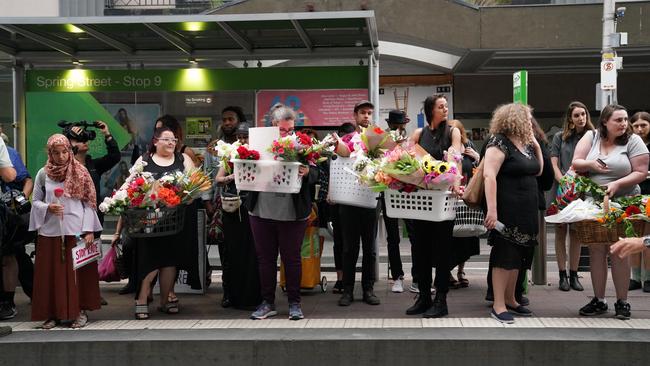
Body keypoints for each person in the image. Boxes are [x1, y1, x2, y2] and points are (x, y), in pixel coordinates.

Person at [572, 104, 649, 320]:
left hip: (625, 202)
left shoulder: (633, 141)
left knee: (619, 251)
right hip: (594, 202)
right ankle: (599, 299)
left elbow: (641, 172)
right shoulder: (592, 136)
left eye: (625, 120)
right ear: (605, 121)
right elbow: (576, 162)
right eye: (618, 120)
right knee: (596, 250)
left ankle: (622, 302)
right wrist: (593, 166)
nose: (624, 124)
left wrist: (617, 184)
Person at [113, 127, 195, 320]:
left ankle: (165, 300)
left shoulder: (183, 160)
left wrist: (184, 196)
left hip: (174, 221)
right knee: (149, 260)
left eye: (173, 140)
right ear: (155, 141)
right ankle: (142, 299)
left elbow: (194, 185)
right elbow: (130, 185)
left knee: (169, 261)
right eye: (166, 139)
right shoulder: (144, 160)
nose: (171, 143)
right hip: (148, 222)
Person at [246, 105, 318, 320]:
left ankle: (295, 303)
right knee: (265, 260)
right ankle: (267, 302)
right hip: (261, 210)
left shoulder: (303, 144)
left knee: (292, 259)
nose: (288, 135)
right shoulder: (259, 142)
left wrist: (307, 172)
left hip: (292, 211)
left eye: (291, 130)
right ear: (273, 126)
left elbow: (317, 171)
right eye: (283, 130)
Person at [29, 134, 102, 329]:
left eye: (64, 152)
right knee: (51, 274)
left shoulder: (81, 171)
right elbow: (35, 201)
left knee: (77, 275)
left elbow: (89, 202)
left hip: (76, 230)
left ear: (70, 151)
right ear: (49, 153)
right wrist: (48, 207)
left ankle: (80, 312)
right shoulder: (43, 174)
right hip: (50, 232)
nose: (61, 157)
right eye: (56, 153)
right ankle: (53, 314)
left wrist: (89, 230)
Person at [483, 103, 543, 324]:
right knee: (505, 254)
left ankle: (511, 298)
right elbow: (489, 176)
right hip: (507, 207)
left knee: (520, 254)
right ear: (514, 119)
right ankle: (498, 304)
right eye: (527, 118)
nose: (530, 122)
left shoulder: (525, 144)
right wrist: (492, 210)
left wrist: (536, 146)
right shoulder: (498, 142)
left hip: (526, 207)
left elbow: (538, 170)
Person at [405, 95, 463, 318]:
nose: (445, 109)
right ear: (431, 110)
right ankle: (423, 297)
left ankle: (441, 300)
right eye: (441, 106)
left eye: (446, 106)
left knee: (441, 251)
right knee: (420, 251)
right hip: (420, 202)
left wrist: (456, 185)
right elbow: (407, 160)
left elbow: (455, 159)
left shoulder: (452, 132)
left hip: (443, 201)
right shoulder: (419, 134)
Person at [337, 100, 380, 307]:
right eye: (363, 113)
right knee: (349, 248)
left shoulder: (378, 139)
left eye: (369, 113)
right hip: (349, 198)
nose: (366, 116)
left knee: (370, 249)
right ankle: (347, 290)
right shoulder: (346, 138)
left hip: (370, 198)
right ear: (355, 116)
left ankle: (368, 289)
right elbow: (340, 155)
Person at [214, 122, 261, 310]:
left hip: (253, 206)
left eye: (245, 137)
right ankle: (230, 294)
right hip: (233, 208)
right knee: (231, 252)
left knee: (253, 252)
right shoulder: (230, 153)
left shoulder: (259, 154)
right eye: (239, 137)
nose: (242, 140)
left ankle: (253, 295)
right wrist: (230, 177)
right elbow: (218, 178)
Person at [203, 107, 246, 306]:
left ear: (239, 121)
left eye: (231, 119)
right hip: (222, 205)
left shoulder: (249, 144)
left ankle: (244, 288)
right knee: (224, 250)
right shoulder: (214, 147)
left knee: (244, 251)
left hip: (246, 204)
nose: (227, 122)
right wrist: (207, 201)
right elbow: (206, 177)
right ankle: (227, 291)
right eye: (224, 119)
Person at [550, 101, 595, 291]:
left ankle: (574, 274)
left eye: (583, 114)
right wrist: (564, 182)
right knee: (561, 231)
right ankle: (562, 275)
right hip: (562, 189)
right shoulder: (560, 137)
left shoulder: (592, 137)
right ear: (570, 118)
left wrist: (579, 185)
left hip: (583, 189)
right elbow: (554, 164)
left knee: (577, 233)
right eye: (576, 115)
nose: (581, 118)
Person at [380, 110, 417, 293]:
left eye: (401, 124)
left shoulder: (410, 140)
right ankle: (397, 277)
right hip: (389, 192)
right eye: (396, 125)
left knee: (414, 235)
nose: (399, 128)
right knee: (392, 237)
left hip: (409, 192)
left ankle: (417, 278)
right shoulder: (382, 141)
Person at [0, 144, 35, 320]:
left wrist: (20, 200)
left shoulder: (9, 152)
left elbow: (21, 178)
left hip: (6, 213)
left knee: (10, 255)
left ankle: (8, 302)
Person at [447, 119, 480, 289]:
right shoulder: (447, 148)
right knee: (452, 237)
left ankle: (461, 271)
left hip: (467, 196)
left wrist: (477, 157)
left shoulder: (469, 147)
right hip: (450, 197)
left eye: (456, 130)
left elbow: (480, 169)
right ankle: (448, 271)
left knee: (467, 235)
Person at [328, 122, 356, 293]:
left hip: (351, 201)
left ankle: (346, 280)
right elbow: (326, 174)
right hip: (336, 201)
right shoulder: (332, 153)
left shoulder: (358, 153)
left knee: (347, 243)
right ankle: (341, 278)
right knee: (340, 242)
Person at [629, 111, 650, 292]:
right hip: (633, 194)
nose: (640, 129)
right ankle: (634, 278)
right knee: (633, 235)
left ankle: (648, 278)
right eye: (636, 126)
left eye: (644, 125)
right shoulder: (629, 145)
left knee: (648, 237)